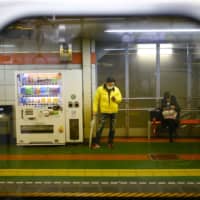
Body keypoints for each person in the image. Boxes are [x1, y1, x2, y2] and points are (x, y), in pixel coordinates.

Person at [92, 77, 122, 149]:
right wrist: (94, 110)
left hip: (114, 111)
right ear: (107, 83)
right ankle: (97, 143)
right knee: (100, 127)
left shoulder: (116, 89)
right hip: (104, 112)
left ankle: (110, 143)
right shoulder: (100, 89)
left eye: (113, 83)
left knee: (113, 128)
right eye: (111, 83)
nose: (112, 85)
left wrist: (116, 99)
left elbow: (120, 99)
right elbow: (95, 100)